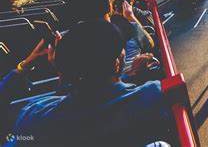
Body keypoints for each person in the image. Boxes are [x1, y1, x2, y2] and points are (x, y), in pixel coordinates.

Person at [0, 20, 168, 146]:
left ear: (62, 68)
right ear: (117, 62)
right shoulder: (153, 95)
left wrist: (26, 64)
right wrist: (131, 75)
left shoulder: (33, 119)